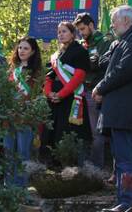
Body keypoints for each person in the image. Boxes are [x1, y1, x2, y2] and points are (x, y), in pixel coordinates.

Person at [92, 5, 132, 212]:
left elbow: (125, 69)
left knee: (127, 159)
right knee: (121, 160)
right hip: (118, 112)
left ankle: (129, 202)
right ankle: (123, 201)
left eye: (114, 21)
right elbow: (103, 63)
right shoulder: (122, 42)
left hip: (127, 111)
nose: (113, 25)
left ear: (126, 21)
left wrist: (101, 86)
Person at [41, 21, 92, 164]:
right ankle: (54, 165)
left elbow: (79, 77)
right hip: (54, 101)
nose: (61, 34)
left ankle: (72, 168)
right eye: (59, 32)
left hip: (70, 99)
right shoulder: (56, 55)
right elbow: (48, 76)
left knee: (69, 132)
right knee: (53, 132)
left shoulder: (80, 51)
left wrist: (61, 94)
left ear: (73, 34)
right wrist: (48, 93)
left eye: (64, 31)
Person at [74, 12, 113, 168]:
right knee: (85, 131)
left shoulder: (104, 42)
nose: (81, 33)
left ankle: (97, 168)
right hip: (81, 91)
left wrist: (89, 64)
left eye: (83, 29)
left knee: (98, 132)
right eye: (79, 30)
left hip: (96, 90)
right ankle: (86, 165)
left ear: (91, 25)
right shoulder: (83, 44)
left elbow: (105, 66)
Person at [4, 37, 43, 187]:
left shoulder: (37, 72)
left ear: (33, 51)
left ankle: (21, 188)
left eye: (26, 48)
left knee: (22, 153)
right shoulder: (12, 70)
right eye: (20, 48)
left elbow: (38, 94)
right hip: (9, 117)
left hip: (26, 117)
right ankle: (9, 187)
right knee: (8, 153)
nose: (21, 51)